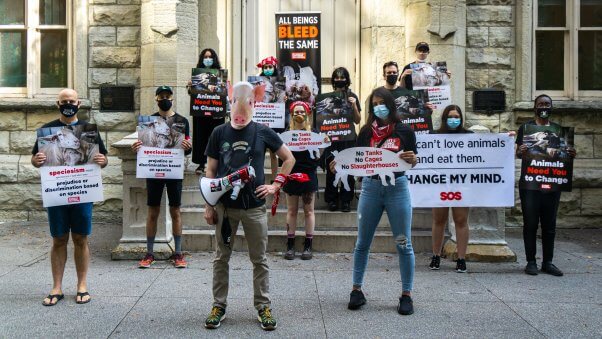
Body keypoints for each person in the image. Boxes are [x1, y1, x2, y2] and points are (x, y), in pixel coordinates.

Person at [203, 81, 295, 331]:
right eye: (237, 104)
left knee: (260, 259)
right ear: (230, 103)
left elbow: (289, 158)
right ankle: (218, 306)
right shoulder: (219, 133)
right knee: (221, 257)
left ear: (255, 104)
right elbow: (211, 169)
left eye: (249, 104)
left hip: (254, 206)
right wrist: (209, 204)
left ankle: (263, 306)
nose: (242, 113)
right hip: (224, 207)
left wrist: (276, 185)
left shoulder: (263, 131)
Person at [332, 87, 418, 315]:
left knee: (403, 243)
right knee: (362, 243)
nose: (379, 107)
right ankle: (356, 290)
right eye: (375, 104)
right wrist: (339, 164)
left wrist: (413, 159)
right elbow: (356, 160)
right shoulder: (365, 133)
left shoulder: (405, 132)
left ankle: (406, 294)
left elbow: (412, 161)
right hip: (370, 188)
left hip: (397, 189)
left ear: (391, 105)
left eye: (383, 102)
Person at [31, 88, 108, 306]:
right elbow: (36, 160)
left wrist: (103, 161)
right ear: (58, 104)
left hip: (82, 192)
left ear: (79, 103)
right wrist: (35, 161)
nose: (68, 104)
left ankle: (82, 285)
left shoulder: (88, 131)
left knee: (81, 238)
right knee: (59, 239)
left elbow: (102, 159)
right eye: (64, 101)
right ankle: (56, 287)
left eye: (71, 101)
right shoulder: (46, 131)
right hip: (57, 192)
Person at [516, 94, 576, 277]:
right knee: (531, 223)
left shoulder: (558, 130)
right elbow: (518, 153)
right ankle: (531, 261)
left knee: (549, 224)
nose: (544, 106)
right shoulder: (525, 128)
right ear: (535, 107)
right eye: (540, 104)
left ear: (551, 107)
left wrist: (570, 153)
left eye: (547, 104)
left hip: (552, 182)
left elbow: (563, 155)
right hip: (530, 183)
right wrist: (521, 150)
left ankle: (548, 262)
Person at [132, 86, 193, 269]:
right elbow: (143, 146)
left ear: (172, 99)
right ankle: (149, 253)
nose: (165, 99)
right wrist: (136, 148)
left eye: (168, 96)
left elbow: (188, 147)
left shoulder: (182, 121)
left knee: (175, 210)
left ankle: (178, 253)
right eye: (161, 96)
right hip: (154, 170)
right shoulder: (148, 121)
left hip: (173, 170)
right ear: (156, 99)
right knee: (153, 211)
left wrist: (187, 146)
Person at [429, 105, 473, 273]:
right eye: (450, 116)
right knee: (438, 220)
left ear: (461, 119)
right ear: (444, 118)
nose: (454, 119)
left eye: (457, 116)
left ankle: (461, 258)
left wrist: (507, 139)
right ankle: (435, 255)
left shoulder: (469, 136)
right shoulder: (435, 135)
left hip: (461, 184)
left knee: (461, 220)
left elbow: (487, 149)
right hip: (440, 183)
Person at [282, 101, 324, 260]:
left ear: (307, 114)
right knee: (291, 211)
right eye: (296, 112)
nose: (298, 114)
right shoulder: (287, 133)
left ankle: (308, 245)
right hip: (291, 175)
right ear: (291, 114)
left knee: (309, 211)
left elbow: (319, 154)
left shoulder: (314, 133)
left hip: (308, 175)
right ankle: (290, 245)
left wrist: (324, 143)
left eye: (301, 112)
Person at [323, 67, 361, 212]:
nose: (339, 80)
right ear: (333, 80)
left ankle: (346, 200)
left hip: (349, 138)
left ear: (347, 79)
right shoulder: (327, 98)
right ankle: (332, 199)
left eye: (342, 77)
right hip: (332, 137)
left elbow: (357, 120)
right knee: (331, 168)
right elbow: (322, 118)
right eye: (337, 77)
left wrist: (354, 106)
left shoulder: (353, 96)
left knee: (348, 168)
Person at [189, 48, 225, 174]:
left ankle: (215, 164)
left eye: (210, 57)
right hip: (201, 112)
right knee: (201, 137)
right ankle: (201, 163)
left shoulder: (220, 74)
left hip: (216, 113)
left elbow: (222, 93)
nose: (208, 59)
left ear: (214, 59)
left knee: (215, 138)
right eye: (205, 57)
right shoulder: (197, 75)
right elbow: (194, 94)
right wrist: (190, 87)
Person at [256, 56, 290, 181]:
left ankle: (276, 177)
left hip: (275, 118)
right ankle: (260, 177)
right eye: (266, 67)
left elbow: (286, 95)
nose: (268, 69)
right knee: (259, 150)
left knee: (274, 151)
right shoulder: (257, 80)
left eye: (270, 67)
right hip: (262, 119)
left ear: (274, 67)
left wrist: (285, 97)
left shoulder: (280, 81)